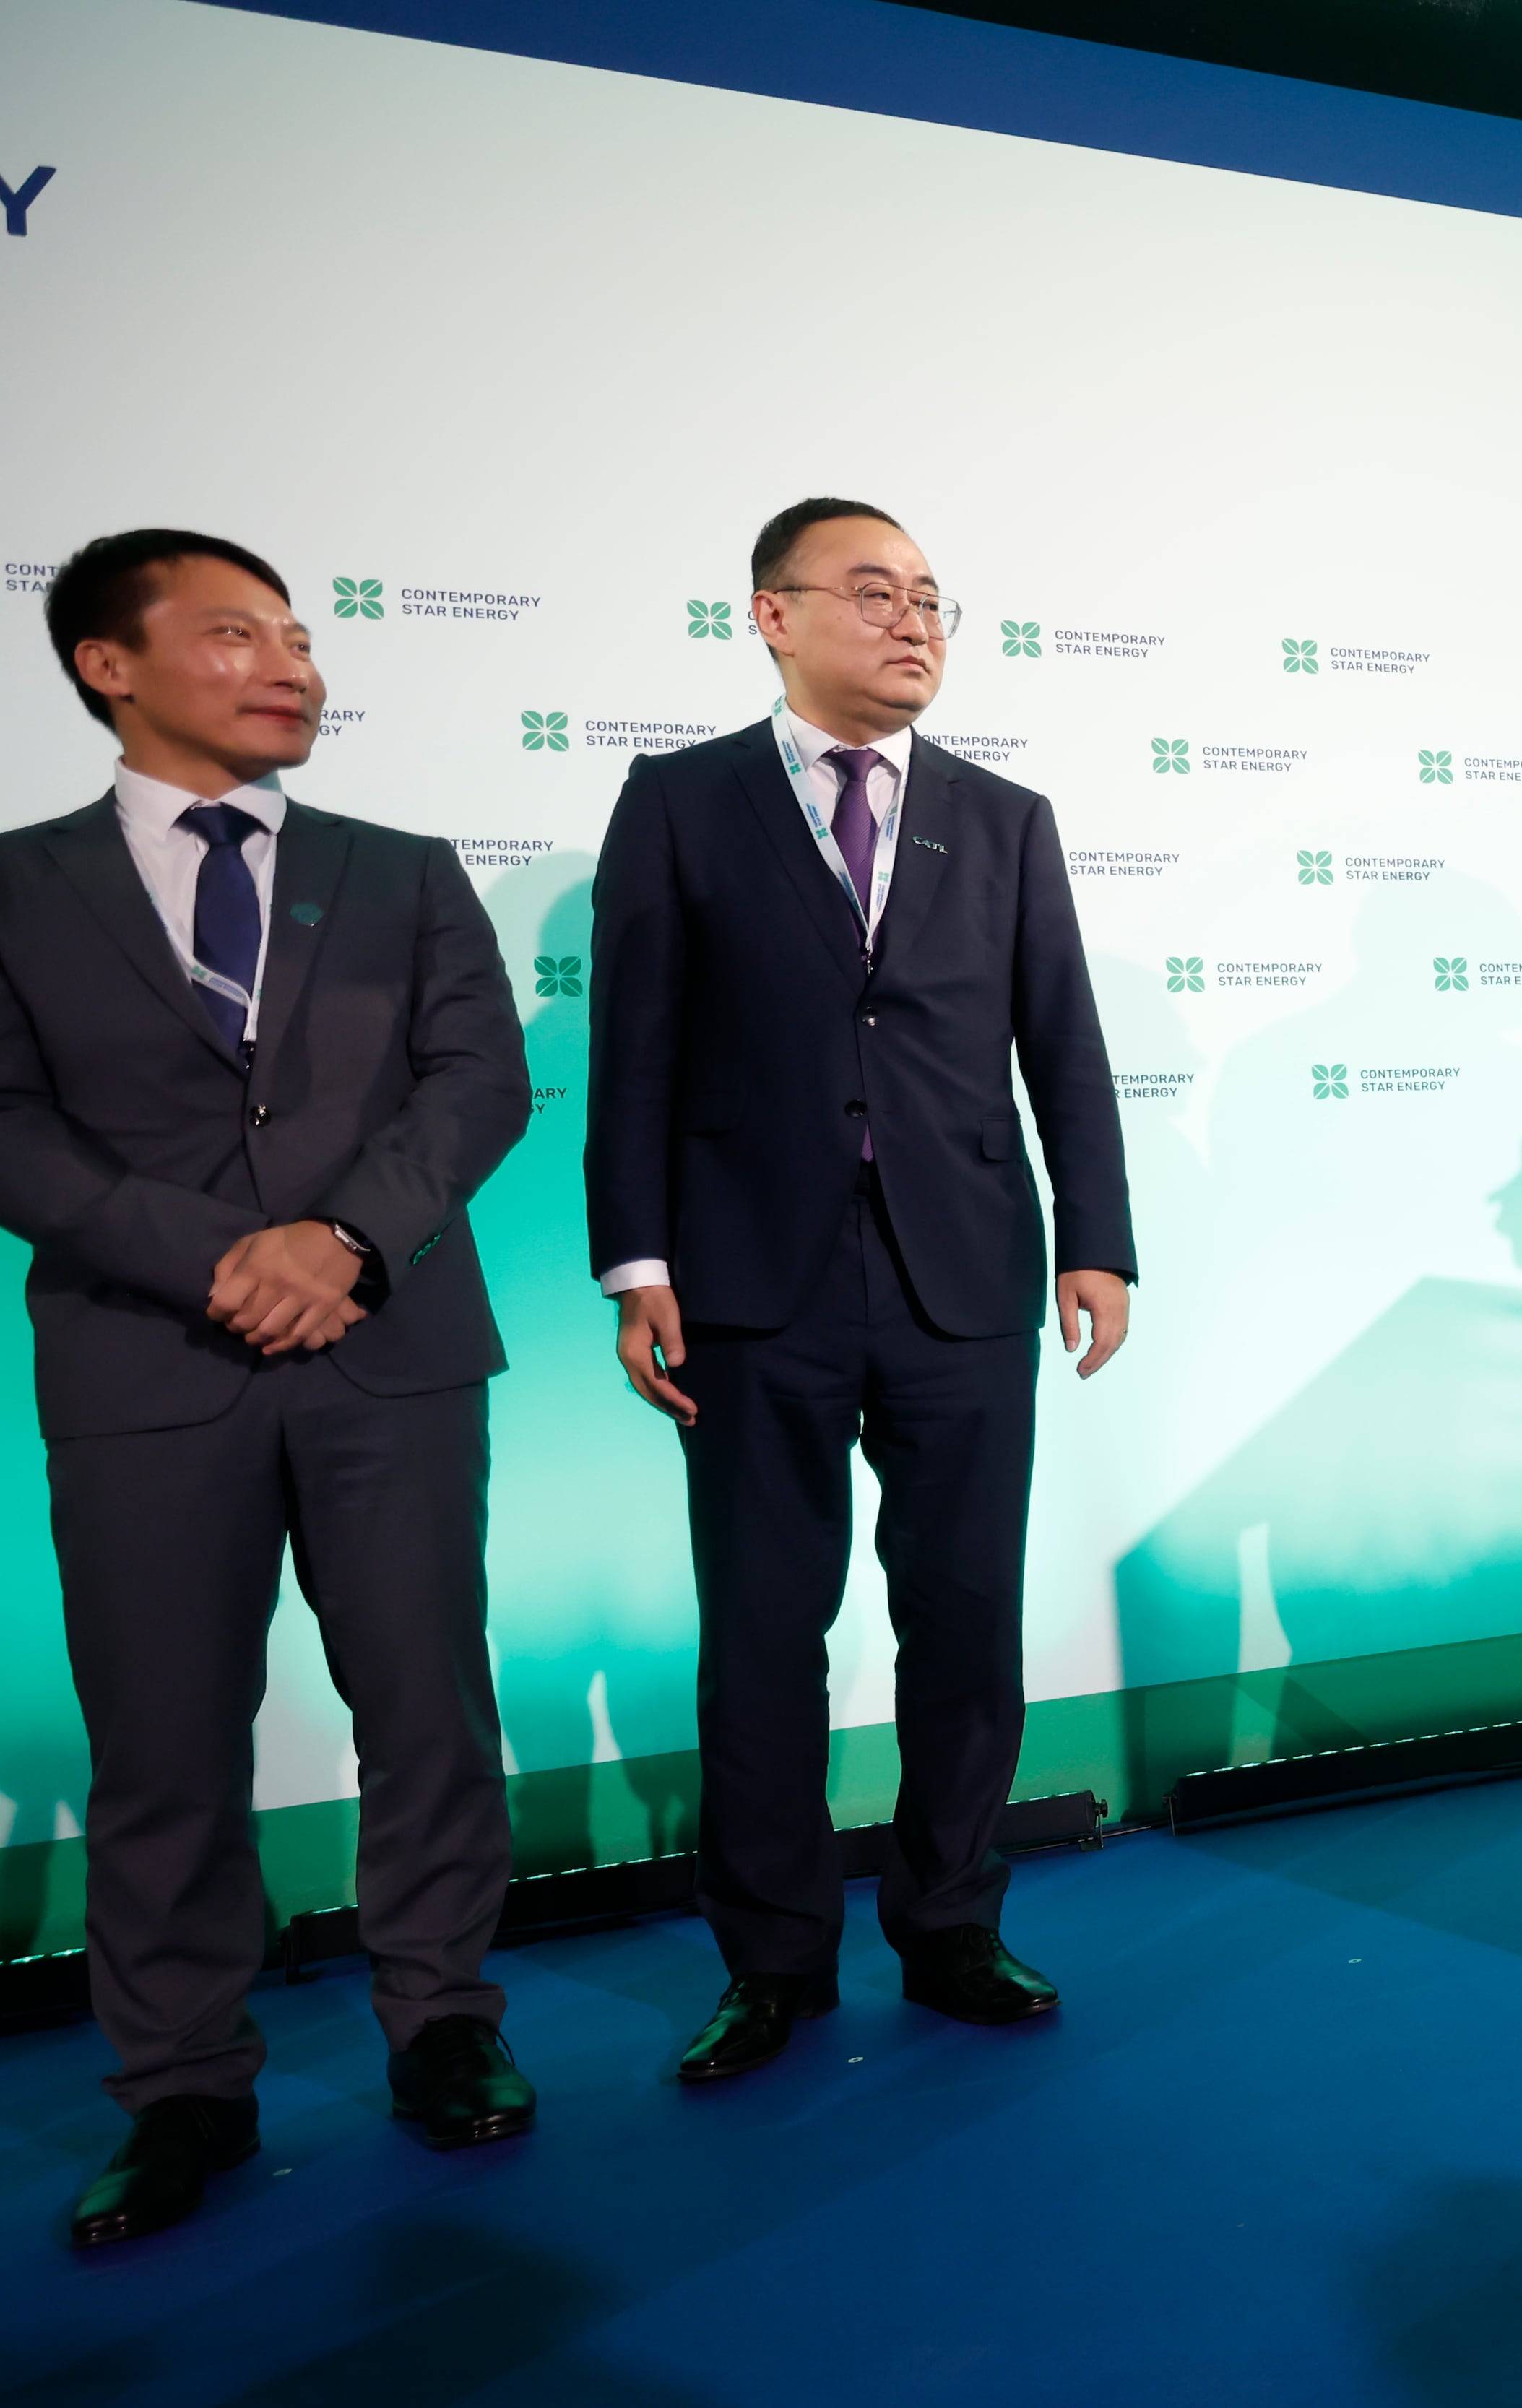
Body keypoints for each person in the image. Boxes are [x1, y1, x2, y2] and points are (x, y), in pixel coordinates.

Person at [4, 530, 536, 2248]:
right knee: (162, 1747)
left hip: (388, 1351)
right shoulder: (15, 887)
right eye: (236, 633)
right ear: (109, 663)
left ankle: (444, 2022)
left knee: (428, 1708)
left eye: (300, 636)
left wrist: (340, 1243)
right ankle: (181, 2091)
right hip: (147, 1362)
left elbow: (479, 1080)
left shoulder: (401, 866)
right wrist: (211, 1256)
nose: (291, 663)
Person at [586, 498, 1136, 2084]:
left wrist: (1093, 1235)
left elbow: (1064, 1046)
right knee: (763, 1629)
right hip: (750, 1283)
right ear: (771, 614)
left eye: (933, 601)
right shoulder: (680, 804)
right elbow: (635, 1051)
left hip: (962, 1275)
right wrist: (640, 1261)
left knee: (964, 1618)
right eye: (875, 592)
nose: (914, 623)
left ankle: (952, 1919)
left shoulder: (1004, 816)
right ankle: (771, 1960)